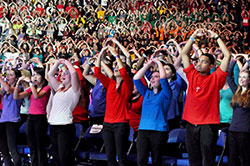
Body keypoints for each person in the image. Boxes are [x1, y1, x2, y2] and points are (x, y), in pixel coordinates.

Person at [181, 29, 231, 166]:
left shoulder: (216, 78)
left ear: (211, 66)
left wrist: (217, 37)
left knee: (207, 161)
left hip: (208, 126)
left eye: (203, 62)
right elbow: (184, 54)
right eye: (198, 61)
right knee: (193, 160)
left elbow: (227, 56)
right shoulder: (192, 75)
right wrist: (192, 37)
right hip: (191, 125)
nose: (199, 63)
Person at [94, 46, 133, 166]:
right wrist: (100, 54)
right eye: (114, 66)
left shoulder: (128, 84)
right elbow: (97, 72)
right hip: (107, 124)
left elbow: (123, 72)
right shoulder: (110, 83)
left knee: (121, 157)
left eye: (117, 66)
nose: (115, 68)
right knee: (110, 157)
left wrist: (116, 55)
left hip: (121, 124)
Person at [133, 58, 172, 166]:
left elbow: (164, 79)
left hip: (159, 131)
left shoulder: (166, 93)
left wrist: (159, 63)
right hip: (143, 131)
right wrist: (148, 64)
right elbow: (136, 78)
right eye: (151, 77)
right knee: (141, 161)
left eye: (156, 76)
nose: (152, 78)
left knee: (156, 161)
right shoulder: (147, 93)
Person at [14, 67, 50, 166]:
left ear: (43, 77)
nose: (35, 77)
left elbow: (37, 96)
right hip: (31, 117)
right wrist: (18, 83)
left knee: (40, 145)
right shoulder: (31, 88)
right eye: (34, 75)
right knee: (32, 145)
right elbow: (16, 96)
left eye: (37, 75)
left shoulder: (46, 88)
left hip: (40, 118)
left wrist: (30, 82)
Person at [47, 58, 81, 166]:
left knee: (64, 156)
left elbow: (74, 73)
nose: (63, 75)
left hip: (65, 126)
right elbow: (50, 75)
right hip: (53, 125)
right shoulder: (59, 88)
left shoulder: (75, 90)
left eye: (66, 74)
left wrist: (66, 63)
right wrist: (57, 63)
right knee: (56, 156)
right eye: (62, 73)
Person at [227, 57, 250, 166]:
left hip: (245, 131)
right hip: (232, 130)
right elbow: (228, 76)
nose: (241, 79)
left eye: (244, 77)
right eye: (240, 77)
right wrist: (233, 61)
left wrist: (248, 62)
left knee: (244, 159)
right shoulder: (236, 91)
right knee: (232, 159)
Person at [0, 69, 22, 166]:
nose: (8, 77)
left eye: (11, 75)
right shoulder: (4, 89)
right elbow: (5, 89)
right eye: (7, 75)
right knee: (3, 148)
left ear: (16, 78)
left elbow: (9, 89)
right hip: (3, 120)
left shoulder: (19, 88)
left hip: (13, 121)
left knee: (12, 148)